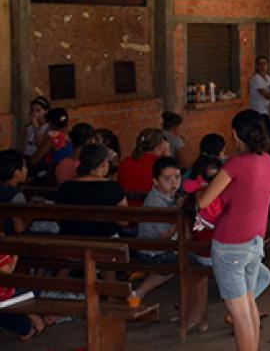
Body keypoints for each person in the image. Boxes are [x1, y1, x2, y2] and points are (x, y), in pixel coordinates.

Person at [196, 111, 270, 351]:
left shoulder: (235, 165)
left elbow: (206, 200)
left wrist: (199, 188)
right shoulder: (268, 161)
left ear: (235, 135)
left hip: (231, 244)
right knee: (250, 304)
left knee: (239, 313)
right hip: (256, 240)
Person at [134, 156, 182, 301]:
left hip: (155, 246)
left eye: (177, 177)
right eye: (167, 179)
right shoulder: (156, 202)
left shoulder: (166, 195)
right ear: (155, 181)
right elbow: (165, 235)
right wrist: (180, 215)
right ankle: (139, 292)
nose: (174, 182)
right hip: (152, 250)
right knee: (180, 263)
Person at [56, 144, 127, 238]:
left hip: (70, 240)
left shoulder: (65, 187)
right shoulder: (113, 187)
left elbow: (59, 218)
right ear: (104, 164)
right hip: (104, 241)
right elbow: (124, 221)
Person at [118, 128, 170, 203]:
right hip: (154, 211)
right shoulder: (163, 164)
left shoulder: (125, 162)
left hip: (127, 210)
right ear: (161, 145)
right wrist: (168, 155)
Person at [0, 150, 30, 235]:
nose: (27, 170)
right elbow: (19, 228)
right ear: (16, 173)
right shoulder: (16, 195)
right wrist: (31, 217)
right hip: (9, 241)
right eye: (24, 167)